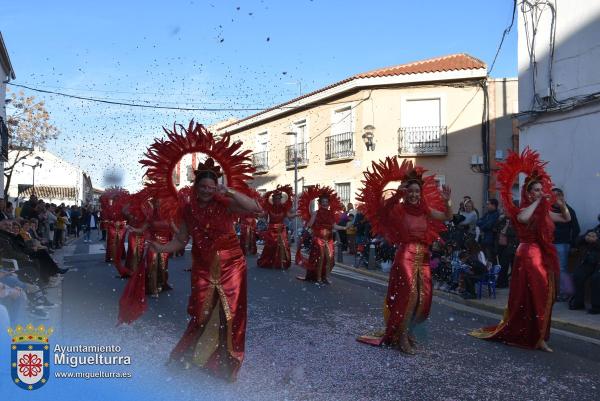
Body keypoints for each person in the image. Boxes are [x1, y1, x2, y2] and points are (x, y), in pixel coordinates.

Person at [139, 121, 262, 381]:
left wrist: (227, 190)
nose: (206, 190)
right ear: (195, 187)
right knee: (200, 314)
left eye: (211, 186)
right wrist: (161, 247)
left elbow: (255, 209)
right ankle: (189, 357)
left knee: (232, 316)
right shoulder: (186, 209)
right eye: (202, 186)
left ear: (215, 187)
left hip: (232, 265)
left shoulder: (226, 203)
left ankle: (227, 364)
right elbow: (181, 240)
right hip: (203, 267)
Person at [470, 148, 571, 352]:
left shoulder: (544, 212)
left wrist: (562, 205)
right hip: (528, 255)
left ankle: (539, 334)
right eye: (535, 190)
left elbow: (566, 219)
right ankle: (532, 335)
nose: (540, 193)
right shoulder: (521, 210)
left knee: (545, 295)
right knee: (532, 295)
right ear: (527, 192)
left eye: (541, 190)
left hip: (544, 255)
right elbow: (523, 219)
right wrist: (537, 202)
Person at [356, 158, 452, 354]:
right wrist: (397, 193)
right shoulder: (399, 210)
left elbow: (446, 217)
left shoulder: (424, 210)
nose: (415, 194)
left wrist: (447, 201)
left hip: (423, 257)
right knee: (409, 295)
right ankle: (400, 336)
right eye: (411, 191)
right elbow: (383, 211)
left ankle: (405, 330)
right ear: (406, 193)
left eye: (417, 191)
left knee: (422, 299)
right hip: (406, 256)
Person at [295, 186, 344, 284]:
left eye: (326, 202)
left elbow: (334, 226)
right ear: (320, 203)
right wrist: (307, 229)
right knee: (320, 258)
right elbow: (310, 224)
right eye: (323, 202)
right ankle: (318, 278)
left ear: (328, 203)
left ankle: (325, 277)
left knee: (330, 259)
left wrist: (345, 228)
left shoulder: (331, 214)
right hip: (318, 239)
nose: (325, 203)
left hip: (329, 240)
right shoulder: (316, 213)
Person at [551, 188, 580, 301]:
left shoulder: (569, 210)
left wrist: (572, 244)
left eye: (558, 195)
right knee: (551, 269)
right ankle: (554, 292)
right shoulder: (550, 210)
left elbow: (576, 229)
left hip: (562, 244)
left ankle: (566, 292)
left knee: (562, 269)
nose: (556, 198)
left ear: (562, 196)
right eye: (553, 196)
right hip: (549, 244)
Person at [257, 185, 295, 269]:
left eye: (278, 198)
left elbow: (289, 216)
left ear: (281, 199)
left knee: (283, 245)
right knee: (271, 245)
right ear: (273, 200)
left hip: (281, 229)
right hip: (271, 229)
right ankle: (270, 262)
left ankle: (281, 263)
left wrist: (296, 214)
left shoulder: (284, 208)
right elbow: (262, 215)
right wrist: (254, 212)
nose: (277, 200)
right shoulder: (268, 208)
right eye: (275, 198)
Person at [569, 230, 600, 314]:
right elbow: (577, 241)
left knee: (596, 279)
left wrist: (596, 241)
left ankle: (596, 306)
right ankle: (578, 302)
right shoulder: (596, 229)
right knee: (578, 275)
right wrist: (585, 238)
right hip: (589, 262)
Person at [477, 198, 500, 263]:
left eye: (488, 204)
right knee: (483, 258)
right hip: (483, 239)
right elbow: (478, 221)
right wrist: (484, 223)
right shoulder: (487, 214)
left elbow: (488, 225)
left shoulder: (496, 214)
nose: (487, 205)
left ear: (493, 205)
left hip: (490, 240)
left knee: (490, 259)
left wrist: (483, 225)